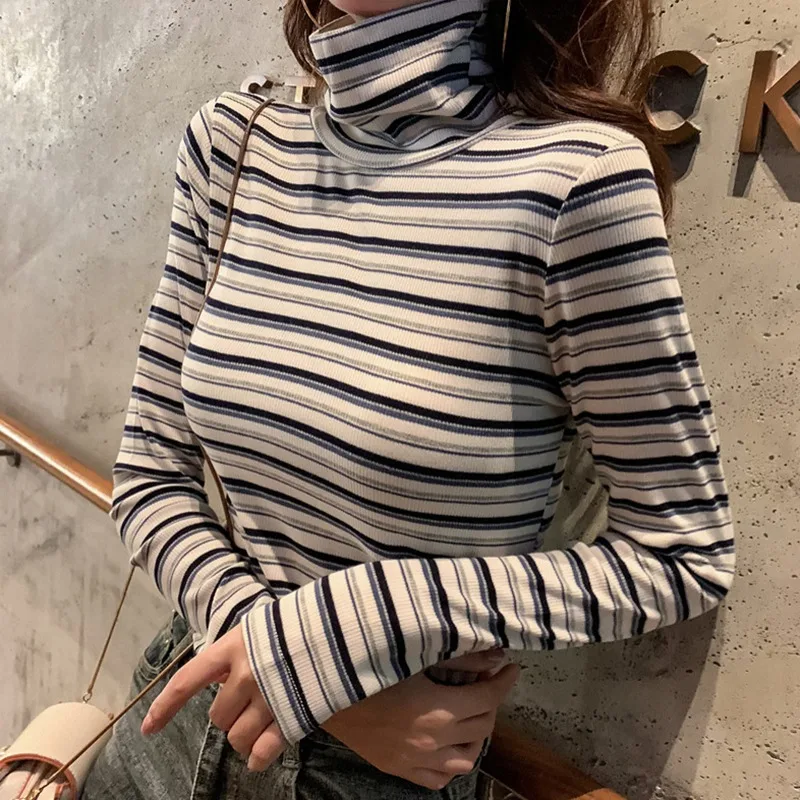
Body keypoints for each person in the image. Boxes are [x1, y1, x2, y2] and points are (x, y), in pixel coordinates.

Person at [83, 0, 735, 797]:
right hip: (179, 712)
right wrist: (284, 657)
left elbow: (682, 556)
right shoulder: (235, 145)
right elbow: (149, 474)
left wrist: (361, 622)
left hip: (376, 775)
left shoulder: (579, 180)